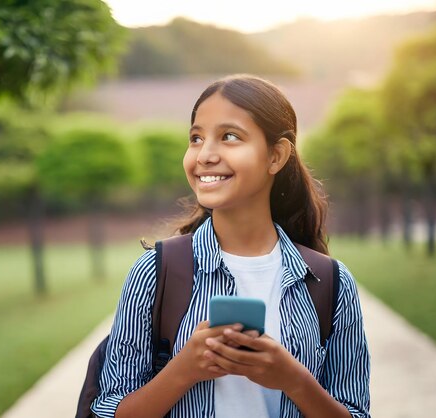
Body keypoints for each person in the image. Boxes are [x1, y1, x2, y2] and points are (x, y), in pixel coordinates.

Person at [91, 74, 370, 418]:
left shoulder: (332, 282)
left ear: (276, 156)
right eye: (195, 138)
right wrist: (185, 369)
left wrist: (294, 379)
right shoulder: (154, 271)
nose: (205, 154)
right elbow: (109, 411)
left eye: (229, 136)